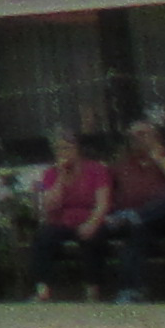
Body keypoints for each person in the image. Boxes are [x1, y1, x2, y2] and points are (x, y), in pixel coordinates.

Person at [94, 118, 165, 302]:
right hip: (142, 225)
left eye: (142, 134)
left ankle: (135, 216)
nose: (136, 139)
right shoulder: (121, 165)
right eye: (132, 136)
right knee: (137, 233)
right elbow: (102, 190)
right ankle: (130, 292)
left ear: (156, 136)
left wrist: (157, 157)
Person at [25, 128, 115, 300]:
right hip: (62, 221)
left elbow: (103, 203)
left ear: (77, 149)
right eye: (58, 149)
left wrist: (92, 223)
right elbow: (50, 206)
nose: (63, 152)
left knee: (93, 238)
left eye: (67, 148)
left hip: (89, 218)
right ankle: (43, 290)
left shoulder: (96, 170)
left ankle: (92, 290)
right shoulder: (51, 173)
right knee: (43, 237)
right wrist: (60, 176)